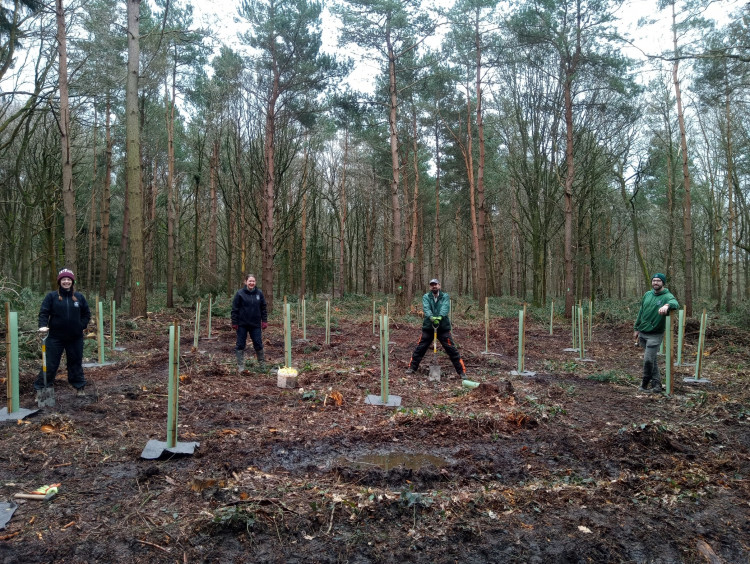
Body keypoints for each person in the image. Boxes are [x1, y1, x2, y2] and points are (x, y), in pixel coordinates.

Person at [36, 268, 91, 398]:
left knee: (75, 362)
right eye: (63, 279)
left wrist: (80, 326)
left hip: (75, 337)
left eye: (68, 279)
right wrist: (43, 326)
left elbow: (86, 314)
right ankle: (42, 388)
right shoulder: (51, 297)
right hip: (55, 337)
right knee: (49, 363)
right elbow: (44, 312)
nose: (66, 282)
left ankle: (79, 387)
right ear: (59, 281)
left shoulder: (79, 297)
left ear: (72, 281)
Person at [406, 278, 466, 377]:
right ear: (430, 287)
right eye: (432, 285)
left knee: (451, 349)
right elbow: (426, 307)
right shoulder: (426, 296)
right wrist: (431, 317)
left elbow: (445, 307)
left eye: (436, 284)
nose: (434, 286)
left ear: (439, 285)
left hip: (443, 328)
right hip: (429, 327)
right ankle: (412, 367)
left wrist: (440, 316)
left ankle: (461, 372)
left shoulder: (445, 296)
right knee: (420, 348)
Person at [633, 273, 679, 393]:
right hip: (643, 332)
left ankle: (644, 383)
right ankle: (657, 385)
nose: (656, 283)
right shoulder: (647, 294)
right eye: (654, 280)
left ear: (663, 283)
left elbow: (675, 303)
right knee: (652, 360)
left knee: (648, 359)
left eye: (658, 281)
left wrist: (667, 305)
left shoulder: (667, 296)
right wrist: (636, 328)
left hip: (655, 334)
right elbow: (641, 311)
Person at [231, 274, 268, 372]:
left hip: (255, 324)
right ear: (245, 282)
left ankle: (262, 365)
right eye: (250, 281)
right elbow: (235, 309)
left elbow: (263, 308)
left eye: (253, 281)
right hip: (242, 324)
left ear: (255, 282)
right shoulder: (240, 293)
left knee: (258, 343)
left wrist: (264, 321)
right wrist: (234, 322)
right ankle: (240, 366)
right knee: (240, 344)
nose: (252, 283)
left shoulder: (259, 293)